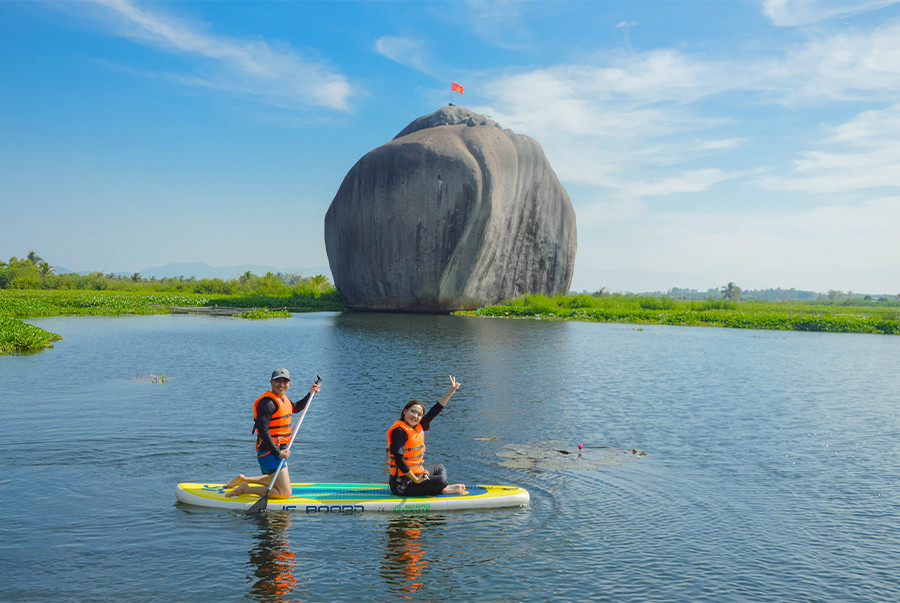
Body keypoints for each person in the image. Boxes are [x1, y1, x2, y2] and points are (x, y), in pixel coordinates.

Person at [226, 368, 321, 499]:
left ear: (289, 384)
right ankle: (245, 489)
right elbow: (263, 432)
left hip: (278, 452)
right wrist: (278, 452)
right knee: (285, 492)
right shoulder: (267, 403)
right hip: (269, 452)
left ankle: (244, 479)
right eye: (278, 381)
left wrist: (311, 394)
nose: (281, 385)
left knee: (276, 480)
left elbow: (296, 407)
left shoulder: (283, 399)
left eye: (285, 381)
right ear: (271, 382)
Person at [387, 375, 466, 496]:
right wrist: (417, 479)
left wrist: (451, 392)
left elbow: (435, 411)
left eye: (419, 414)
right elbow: (399, 460)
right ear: (405, 411)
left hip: (416, 474)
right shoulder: (399, 431)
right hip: (402, 484)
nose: (415, 416)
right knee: (441, 480)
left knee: (440, 468)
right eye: (412, 411)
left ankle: (438, 488)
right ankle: (441, 488)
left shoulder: (418, 426)